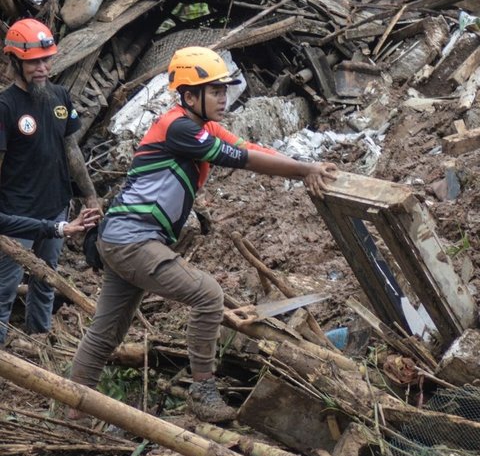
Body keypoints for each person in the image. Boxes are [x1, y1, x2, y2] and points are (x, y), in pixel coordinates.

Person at [69, 46, 337, 423]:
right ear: (190, 96)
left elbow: (247, 147)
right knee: (207, 295)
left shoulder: (202, 127)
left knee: (106, 332)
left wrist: (305, 166)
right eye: (215, 91)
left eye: (224, 90)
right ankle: (203, 392)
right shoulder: (179, 128)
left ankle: (74, 413)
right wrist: (303, 170)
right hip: (132, 239)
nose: (224, 98)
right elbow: (239, 159)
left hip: (124, 238)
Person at [0, 18, 102, 344]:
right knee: (4, 287)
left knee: (46, 279)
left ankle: (38, 342)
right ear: (15, 61)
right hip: (17, 216)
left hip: (56, 210)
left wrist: (91, 198)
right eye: (33, 62)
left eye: (46, 59)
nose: (42, 67)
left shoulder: (60, 97)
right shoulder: (5, 106)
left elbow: (71, 150)